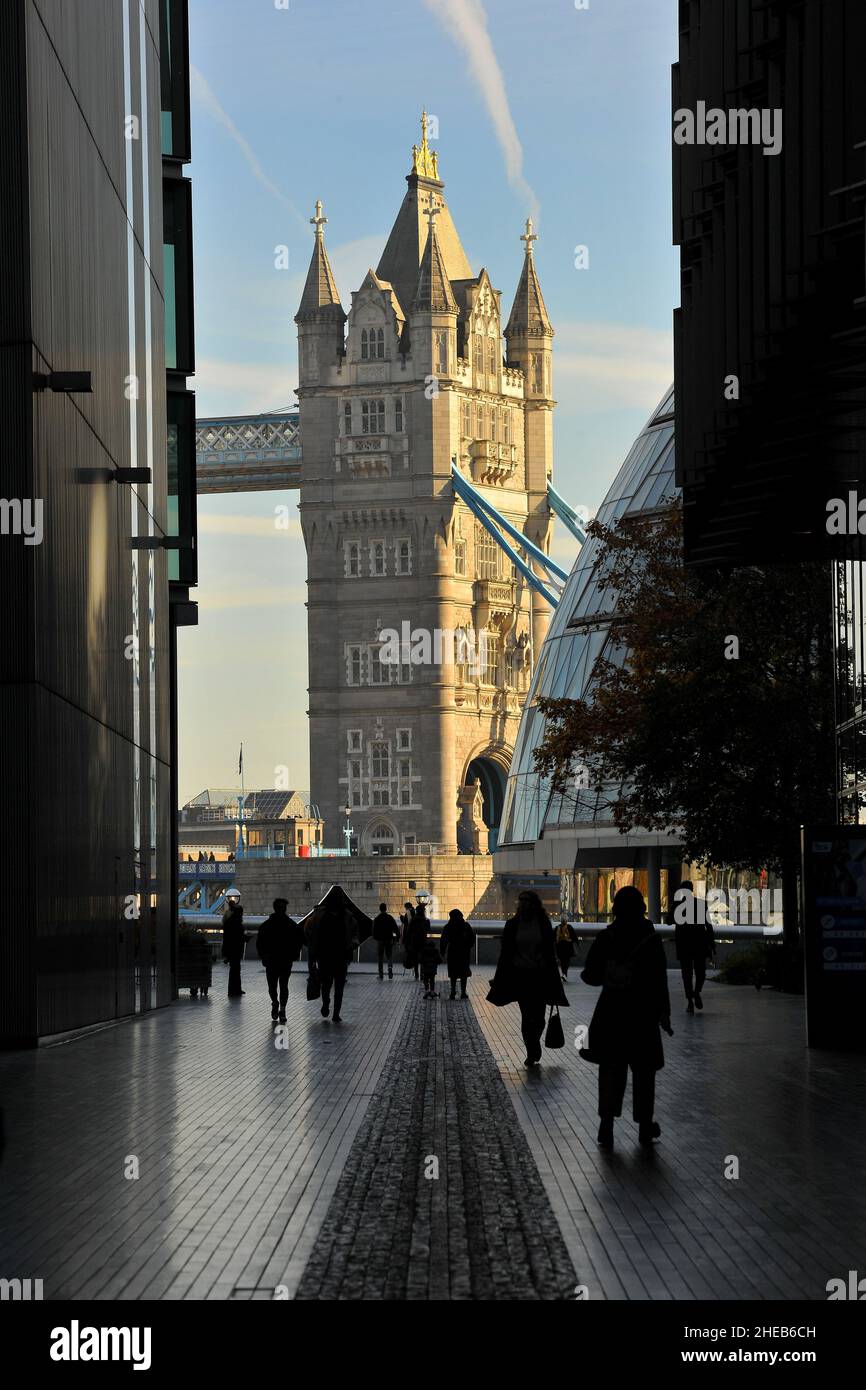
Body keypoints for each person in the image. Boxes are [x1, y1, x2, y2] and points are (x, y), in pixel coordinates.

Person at [581, 885, 672, 1149]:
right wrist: (663, 1012)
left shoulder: (606, 937)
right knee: (644, 1072)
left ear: (615, 909)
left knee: (611, 1070)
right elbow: (659, 979)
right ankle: (645, 1126)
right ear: (642, 909)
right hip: (643, 1015)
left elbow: (590, 976)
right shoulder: (651, 939)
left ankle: (606, 1125)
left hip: (612, 1013)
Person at [487, 890, 568, 1067]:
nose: (524, 904)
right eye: (522, 901)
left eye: (527, 901)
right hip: (521, 975)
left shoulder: (543, 923)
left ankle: (534, 1042)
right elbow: (505, 954)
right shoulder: (513, 925)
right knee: (527, 1014)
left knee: (538, 1017)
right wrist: (499, 977)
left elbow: (549, 951)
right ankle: (532, 1049)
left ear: (535, 904)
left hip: (540, 975)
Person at [256, 898, 305, 1023]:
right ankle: (282, 1010)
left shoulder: (266, 926)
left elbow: (259, 943)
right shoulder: (291, 925)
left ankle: (275, 1002)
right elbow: (299, 941)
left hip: (271, 961)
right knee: (284, 986)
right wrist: (294, 954)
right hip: (285, 960)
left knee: (272, 986)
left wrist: (263, 956)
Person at [308, 902, 356, 1022]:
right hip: (335, 957)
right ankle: (332, 1010)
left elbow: (310, 933)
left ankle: (331, 1009)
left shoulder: (320, 917)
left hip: (328, 957)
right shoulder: (346, 917)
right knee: (334, 986)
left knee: (328, 985)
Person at [673, 880, 715, 1014]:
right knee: (700, 972)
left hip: (684, 944)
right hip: (699, 944)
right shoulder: (701, 904)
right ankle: (696, 992)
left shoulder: (677, 905)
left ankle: (690, 1001)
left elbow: (668, 921)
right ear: (692, 890)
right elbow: (708, 926)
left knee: (686, 974)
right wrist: (712, 944)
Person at [440, 908, 475, 1000]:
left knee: (453, 972)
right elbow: (472, 938)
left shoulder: (448, 926)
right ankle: (463, 992)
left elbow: (443, 940)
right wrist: (468, 946)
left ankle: (453, 992)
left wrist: (442, 952)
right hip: (464, 952)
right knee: (464, 972)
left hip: (453, 951)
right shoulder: (466, 926)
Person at [221, 894, 248, 998]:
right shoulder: (237, 923)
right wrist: (246, 938)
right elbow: (238, 937)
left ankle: (234, 989)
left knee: (234, 969)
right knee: (235, 969)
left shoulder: (229, 921)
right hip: (236, 949)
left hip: (230, 949)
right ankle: (234, 990)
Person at [372, 903, 400, 979]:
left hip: (380, 940)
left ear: (380, 909)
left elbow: (374, 931)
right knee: (389, 955)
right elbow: (396, 929)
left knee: (380, 957)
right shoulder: (390, 918)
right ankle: (390, 969)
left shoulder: (377, 918)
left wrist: (376, 938)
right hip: (389, 939)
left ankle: (381, 975)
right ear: (386, 909)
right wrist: (397, 938)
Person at [404, 903, 428, 981]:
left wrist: (407, 943)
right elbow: (428, 929)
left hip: (414, 942)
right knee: (422, 958)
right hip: (423, 941)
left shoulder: (413, 920)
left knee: (415, 958)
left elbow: (409, 932)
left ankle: (417, 974)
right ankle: (422, 974)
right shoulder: (425, 920)